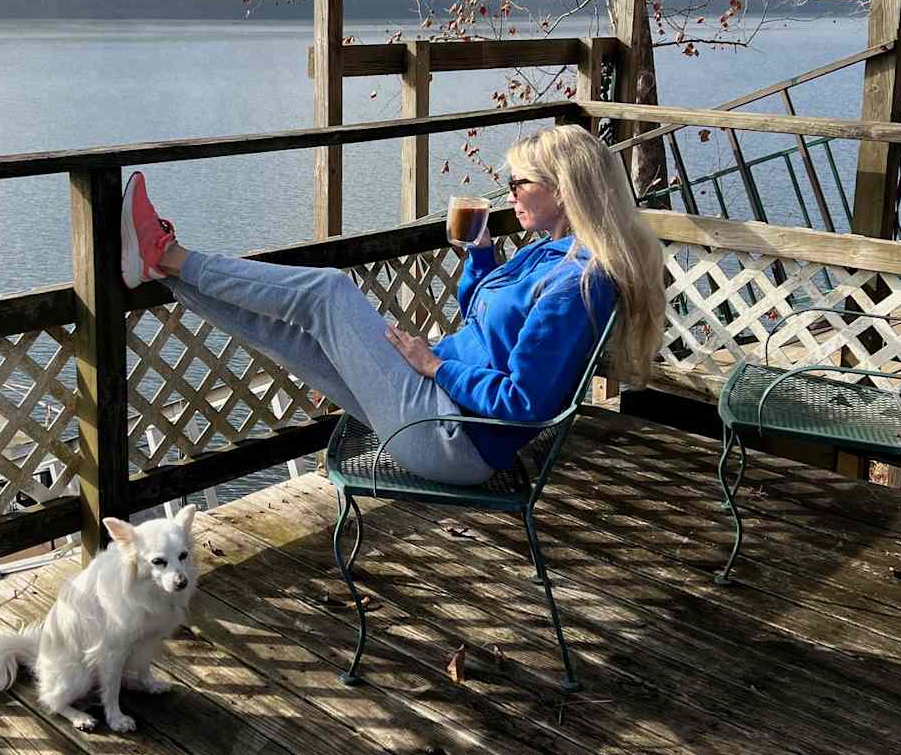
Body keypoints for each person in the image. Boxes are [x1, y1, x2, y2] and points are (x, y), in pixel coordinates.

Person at [120, 122, 666, 485]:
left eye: (520, 181)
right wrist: (479, 259)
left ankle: (167, 253)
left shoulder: (578, 283)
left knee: (328, 291)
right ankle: (161, 268)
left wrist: (436, 366)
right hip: (437, 403)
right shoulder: (551, 253)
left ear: (563, 189)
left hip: (454, 438)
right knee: (301, 334)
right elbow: (482, 321)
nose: (510, 191)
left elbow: (525, 401)